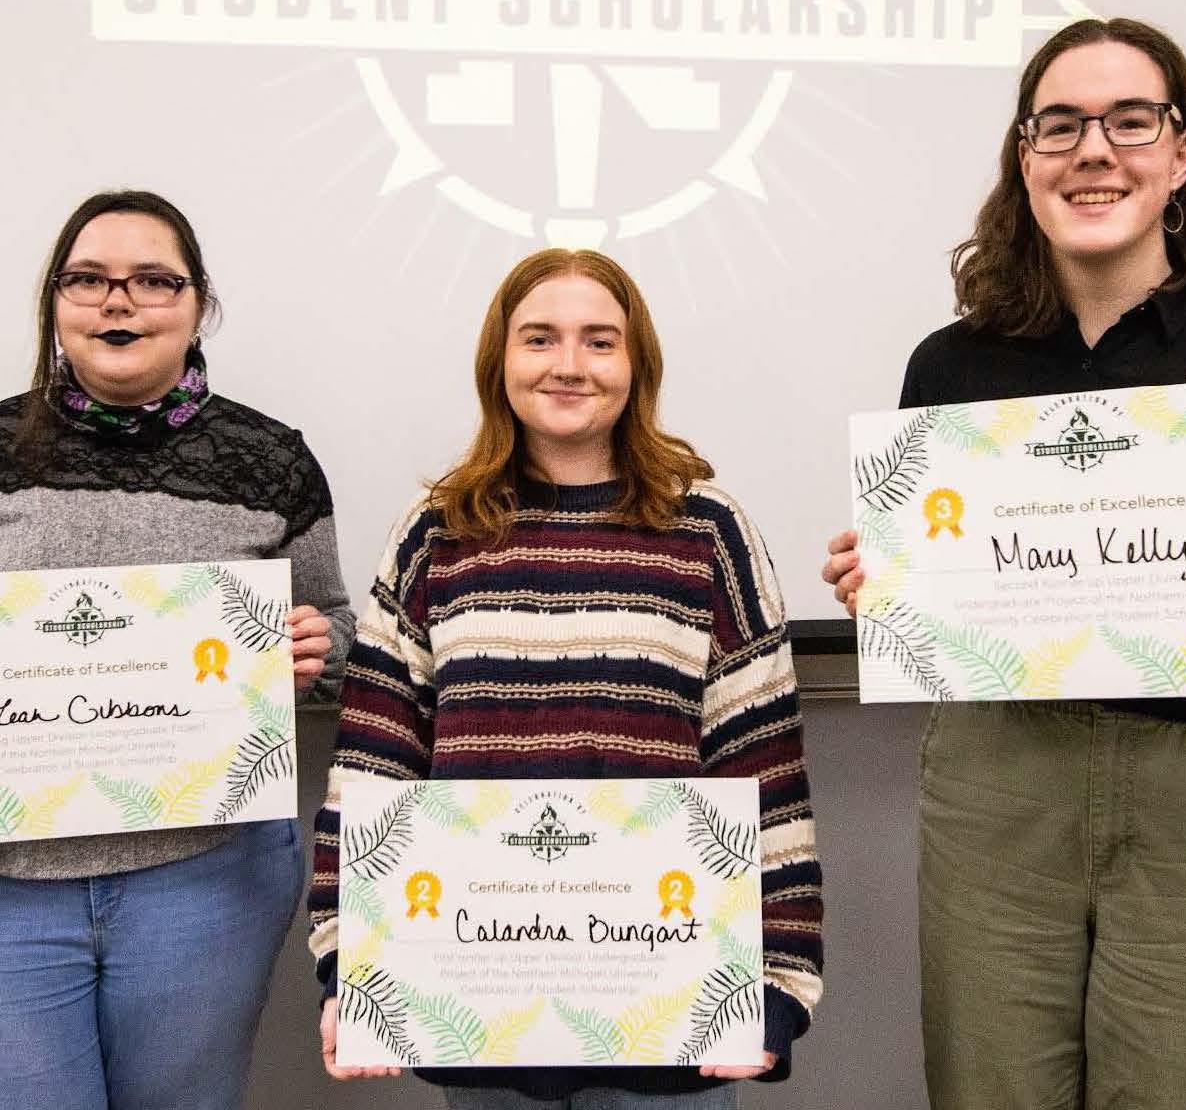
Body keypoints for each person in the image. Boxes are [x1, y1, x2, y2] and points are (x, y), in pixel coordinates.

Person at [821, 18, 1186, 1110]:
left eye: (1129, 120)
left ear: (1179, 154)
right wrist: (886, 588)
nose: (1093, 149)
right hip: (1000, 784)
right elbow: (933, 605)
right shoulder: (947, 370)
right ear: (1025, 159)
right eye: (1059, 125)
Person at [0, 190, 355, 1110]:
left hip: (205, 878)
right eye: (88, 280)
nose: (117, 302)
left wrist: (319, 648)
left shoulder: (271, 460)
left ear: (198, 304)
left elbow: (338, 628)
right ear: (54, 303)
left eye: (153, 281)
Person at [308, 248, 824, 1109]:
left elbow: (762, 765)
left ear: (636, 364)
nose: (569, 365)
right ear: (499, 363)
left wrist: (776, 980)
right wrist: (348, 961)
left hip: (677, 1018)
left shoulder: (708, 531)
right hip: (477, 1008)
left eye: (600, 341)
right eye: (539, 338)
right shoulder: (435, 532)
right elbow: (373, 759)